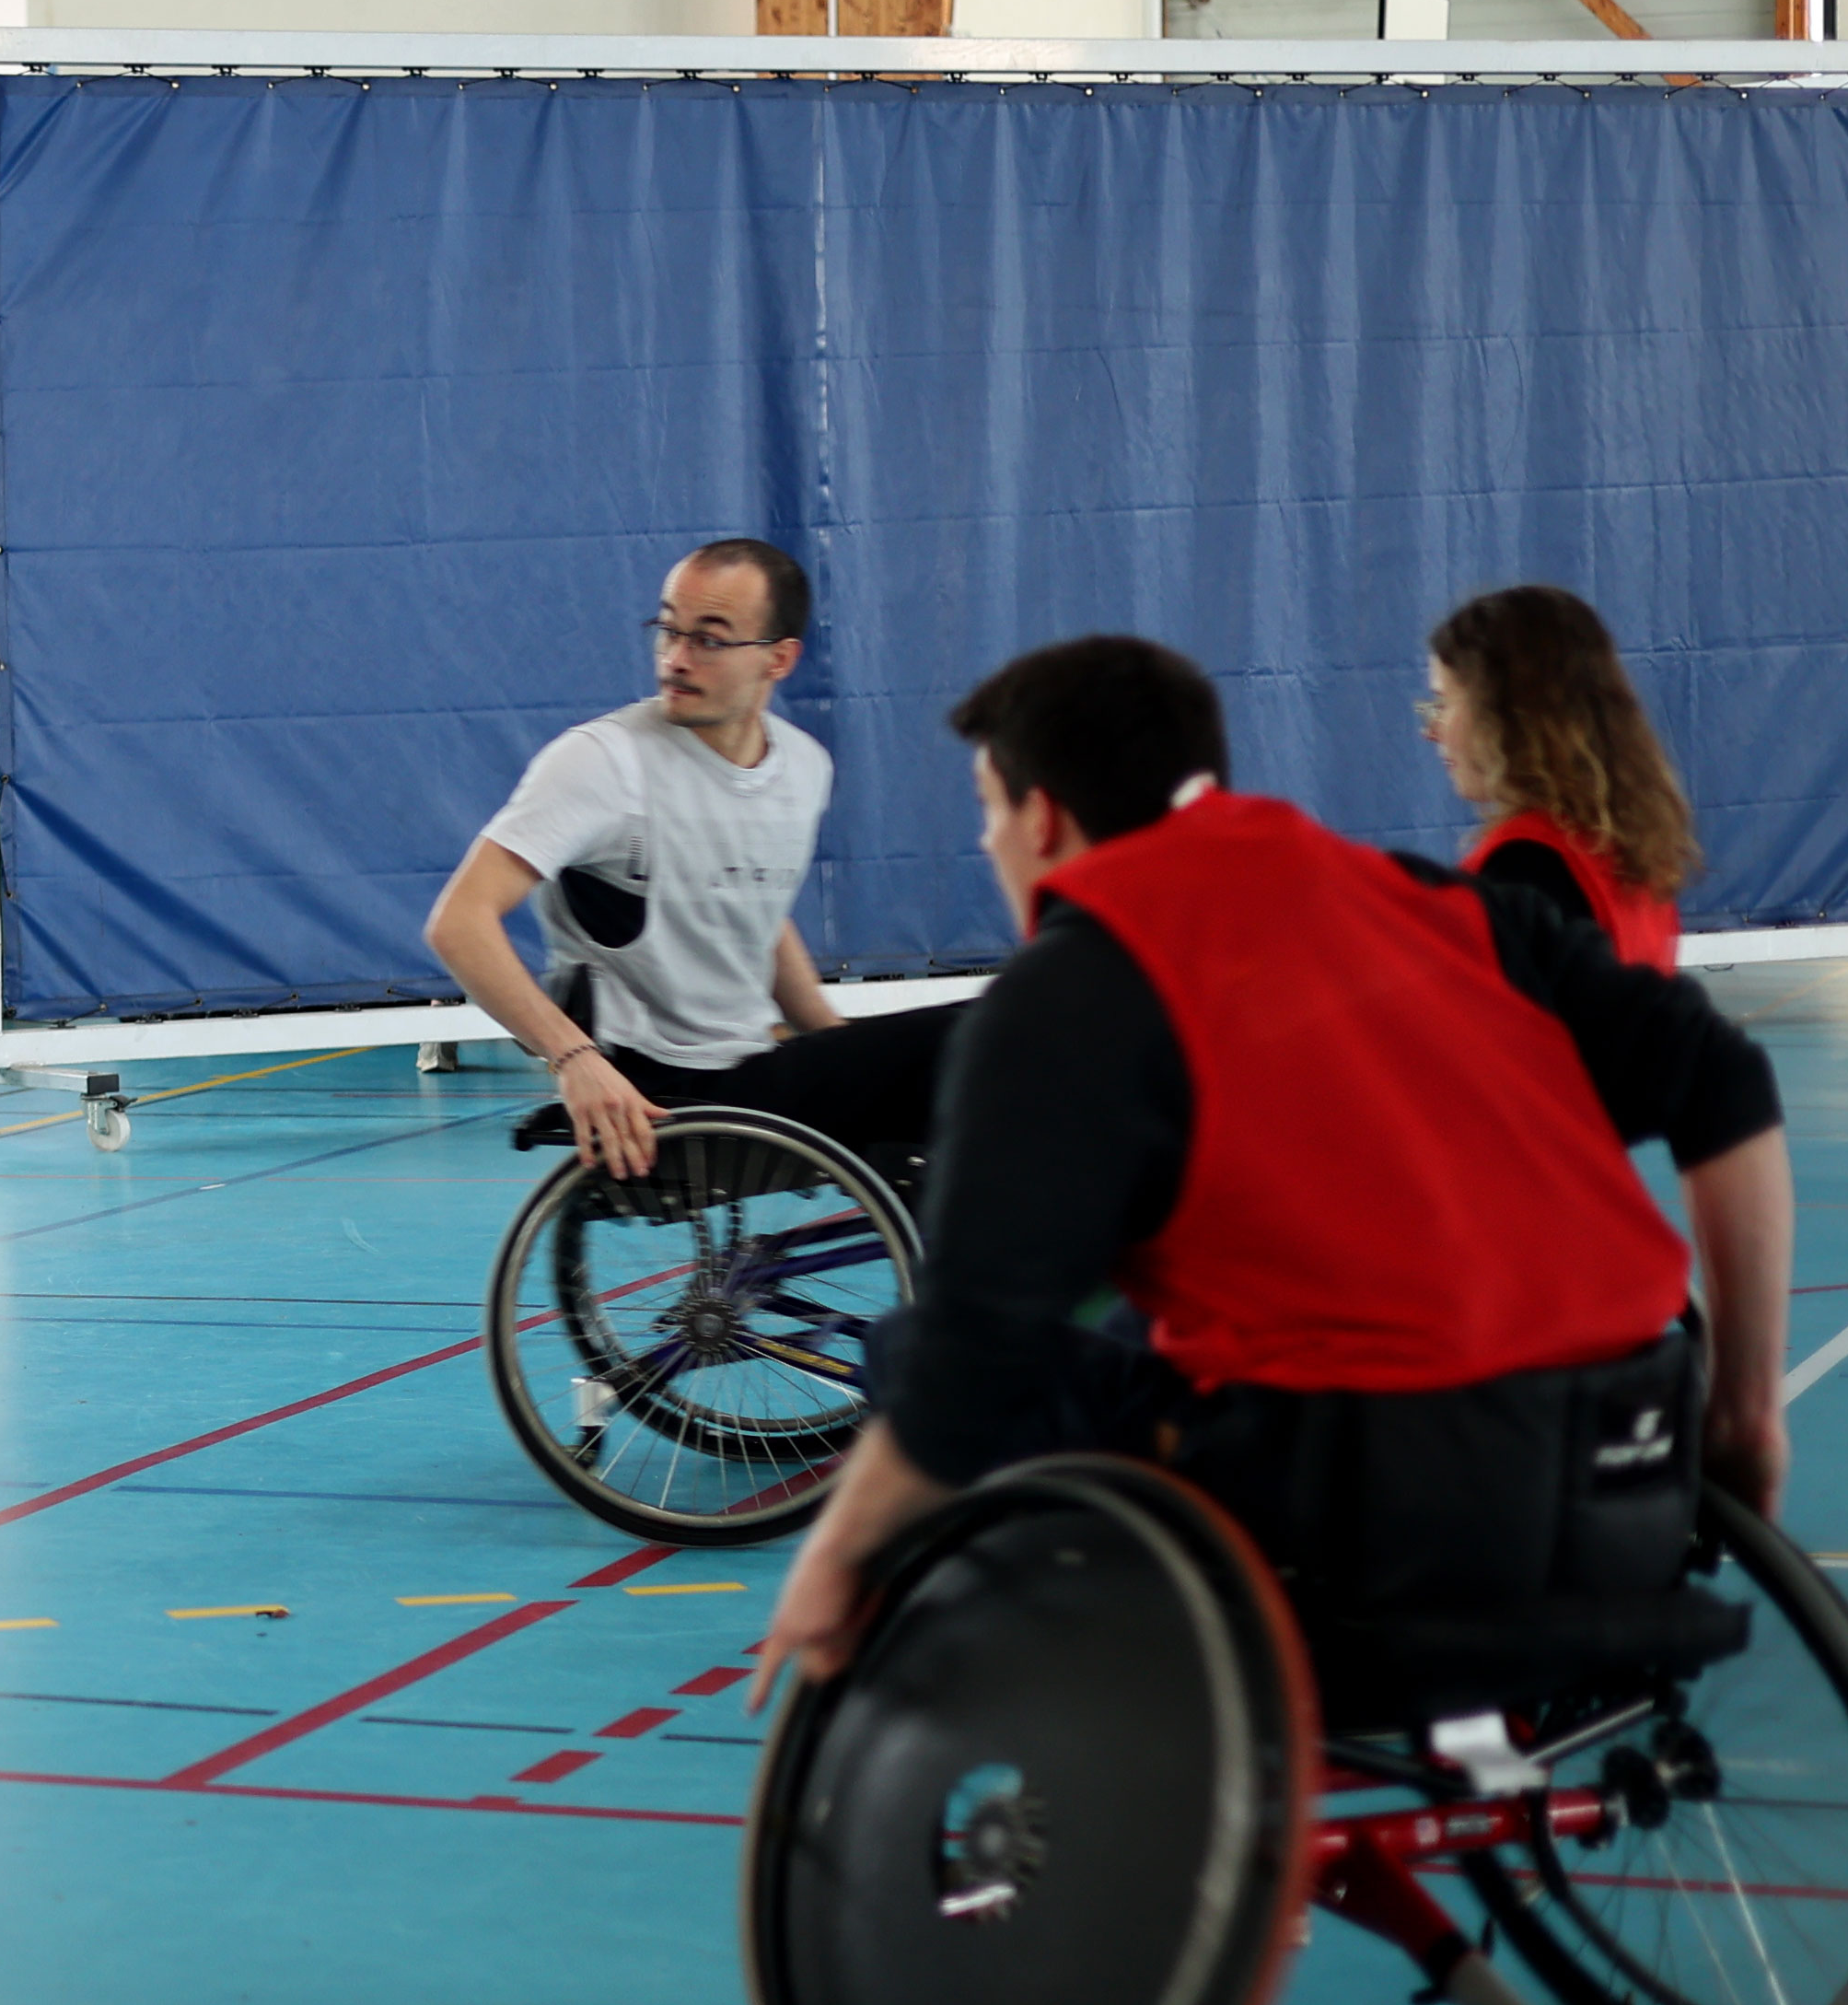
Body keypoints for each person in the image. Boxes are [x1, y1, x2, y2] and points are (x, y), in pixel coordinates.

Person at [757, 635, 1792, 1696]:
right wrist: (1746, 1410)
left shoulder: (1079, 986)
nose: (988, 845)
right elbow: (1729, 1085)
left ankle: (1096, 1708)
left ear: (1046, 817)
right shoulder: (1430, 901)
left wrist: (835, 1559)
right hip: (1628, 1463)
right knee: (1137, 1333)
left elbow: (976, 1356)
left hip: (1373, 1515)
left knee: (916, 1352)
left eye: (989, 814)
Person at [423, 536, 950, 1178]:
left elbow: (754, 913)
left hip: (757, 1070)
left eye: (709, 638)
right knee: (987, 1028)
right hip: (667, 1092)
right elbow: (459, 923)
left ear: (779, 659)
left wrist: (833, 1041)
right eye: (668, 630)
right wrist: (575, 1060)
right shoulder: (603, 762)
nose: (675, 658)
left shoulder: (805, 767)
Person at [1424, 583, 1695, 966]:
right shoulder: (1627, 852)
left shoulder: (1526, 868)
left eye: (1443, 703)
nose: (1431, 729)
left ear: (1505, 714)